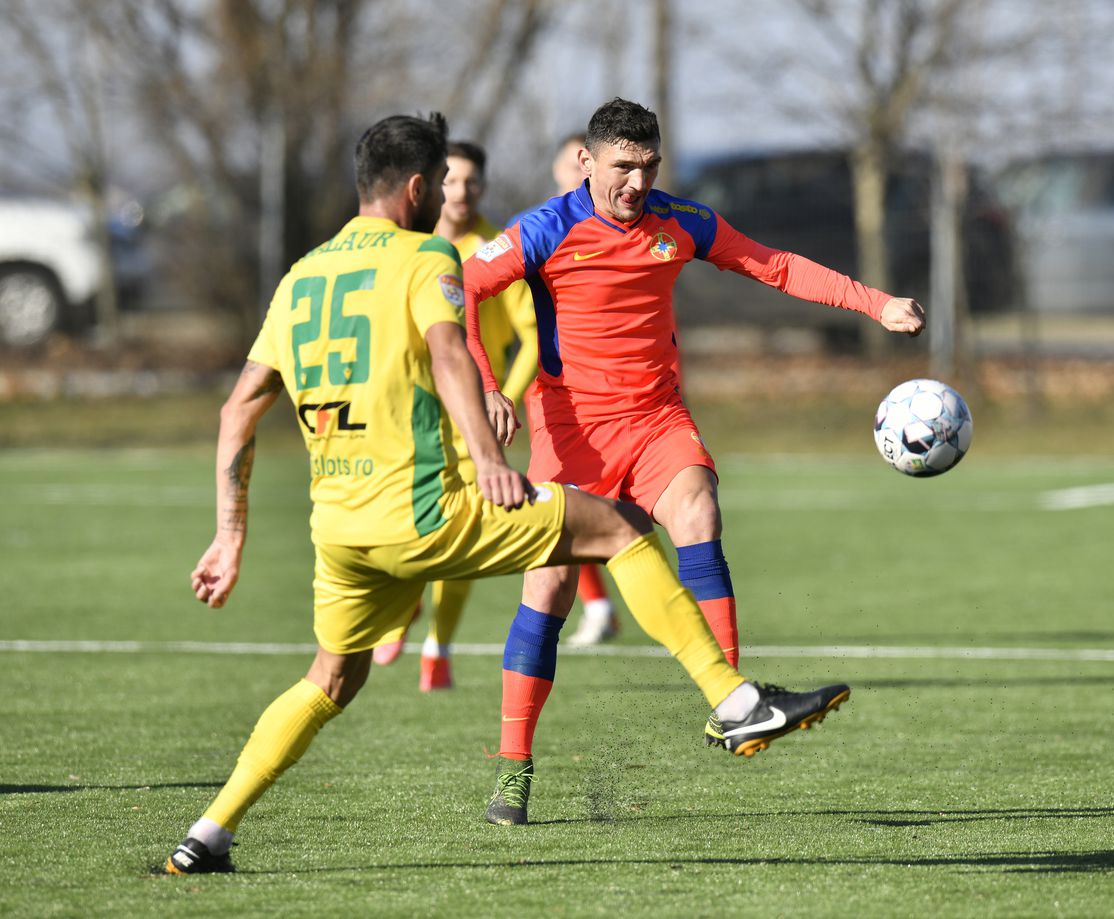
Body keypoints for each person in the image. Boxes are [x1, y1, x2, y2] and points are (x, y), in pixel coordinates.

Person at [163, 111, 852, 874]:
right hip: (428, 511)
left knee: (328, 678)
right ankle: (733, 701)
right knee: (621, 531)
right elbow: (453, 351)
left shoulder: (301, 276)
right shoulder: (426, 257)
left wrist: (230, 534)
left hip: (339, 530)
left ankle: (208, 834)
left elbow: (238, 408)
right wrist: (491, 456)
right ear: (421, 188)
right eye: (445, 188)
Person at [463, 98, 923, 778]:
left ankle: (732, 701)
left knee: (698, 508)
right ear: (586, 162)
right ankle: (513, 762)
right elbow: (462, 289)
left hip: (656, 421)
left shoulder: (680, 223)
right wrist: (487, 384)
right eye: (623, 167)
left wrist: (875, 303)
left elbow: (777, 265)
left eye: (649, 167)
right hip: (571, 437)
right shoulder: (543, 228)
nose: (638, 184)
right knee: (549, 591)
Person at [369, 140, 539, 691]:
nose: (460, 192)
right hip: (413, 418)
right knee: (403, 523)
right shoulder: (411, 246)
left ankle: (438, 648)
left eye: (471, 182)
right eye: (452, 180)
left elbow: (532, 338)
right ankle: (400, 612)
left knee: (456, 534)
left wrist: (500, 399)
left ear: (483, 188)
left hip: (470, 421)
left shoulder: (495, 249)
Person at [548, 131, 622, 648]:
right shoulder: (541, 230)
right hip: (554, 399)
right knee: (568, 512)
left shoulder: (634, 226)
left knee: (591, 515)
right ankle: (597, 607)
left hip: (610, 398)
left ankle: (599, 607)